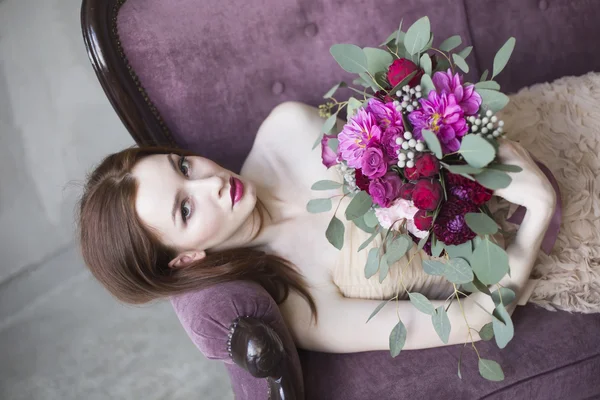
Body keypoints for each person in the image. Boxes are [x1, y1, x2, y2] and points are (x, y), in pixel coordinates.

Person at [78, 101, 557, 353]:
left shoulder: (288, 130)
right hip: (530, 249)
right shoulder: (294, 302)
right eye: (185, 209)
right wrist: (539, 213)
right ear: (184, 259)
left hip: (517, 140)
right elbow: (473, 321)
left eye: (183, 166)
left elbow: (423, 135)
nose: (210, 183)